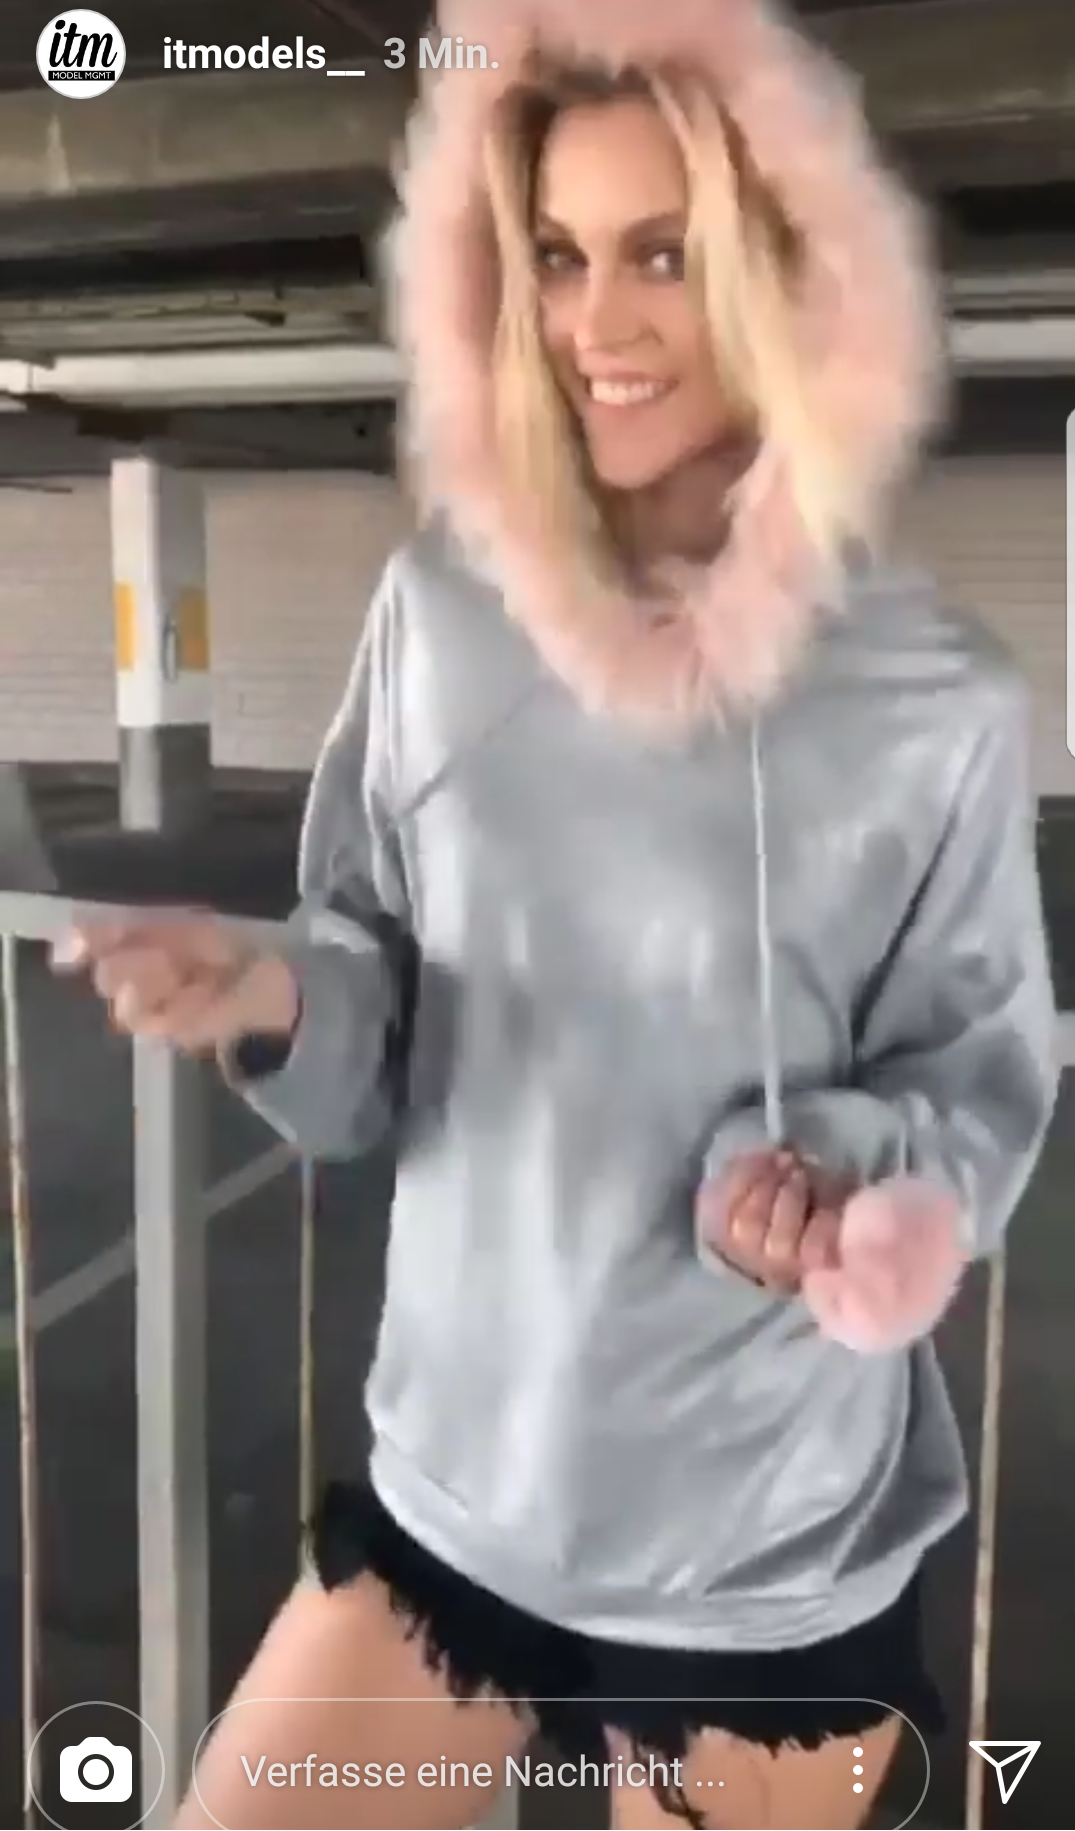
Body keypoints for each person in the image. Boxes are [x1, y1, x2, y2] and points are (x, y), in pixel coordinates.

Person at [57, 1, 1057, 1826]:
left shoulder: (937, 702)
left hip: (765, 1559)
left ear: (782, 265)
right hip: (463, 1494)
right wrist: (268, 989)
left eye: (661, 253)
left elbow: (977, 1086)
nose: (596, 322)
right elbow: (373, 990)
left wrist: (832, 1189)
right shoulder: (442, 614)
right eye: (556, 254)